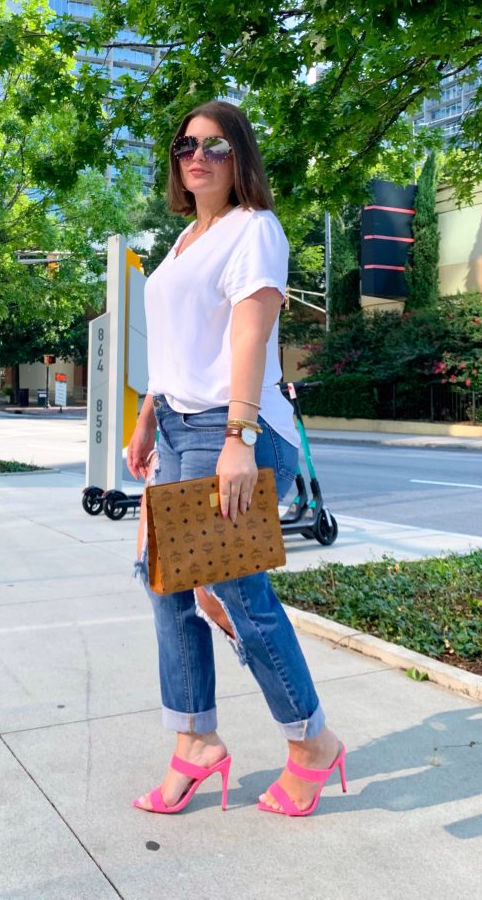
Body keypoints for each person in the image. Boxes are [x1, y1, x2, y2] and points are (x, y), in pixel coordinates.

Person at [128, 100, 346, 818]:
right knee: (166, 586)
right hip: (180, 431)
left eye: (215, 144)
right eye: (186, 145)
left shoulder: (254, 230)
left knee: (236, 594)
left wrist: (239, 440)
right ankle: (195, 741)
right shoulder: (185, 241)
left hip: (233, 428)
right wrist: (147, 417)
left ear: (239, 156)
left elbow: (249, 338)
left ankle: (312, 744)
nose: (198, 155)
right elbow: (176, 347)